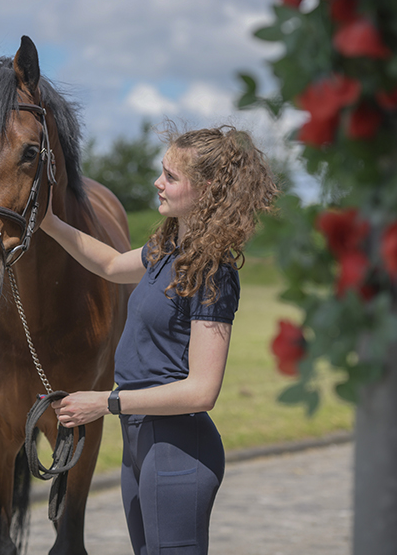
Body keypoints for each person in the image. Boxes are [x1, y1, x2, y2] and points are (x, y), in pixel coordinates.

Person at [40, 124, 278, 555]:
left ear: (204, 191)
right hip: (140, 444)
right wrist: (50, 222)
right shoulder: (167, 251)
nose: (158, 183)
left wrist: (105, 401)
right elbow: (112, 264)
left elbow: (202, 391)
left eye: (170, 176)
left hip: (177, 450)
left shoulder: (213, 274)